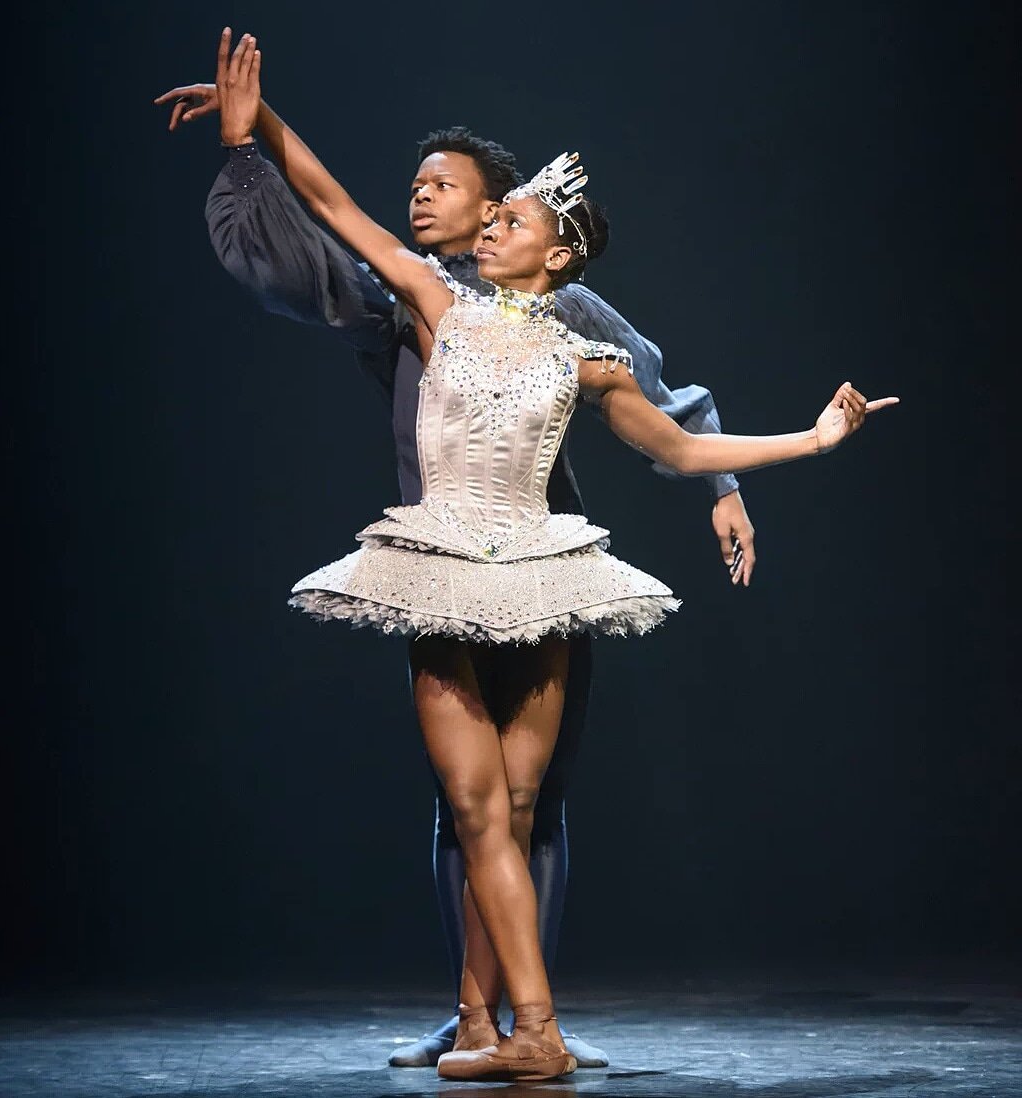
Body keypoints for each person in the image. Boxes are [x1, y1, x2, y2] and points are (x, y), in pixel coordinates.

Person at [165, 30, 897, 1083]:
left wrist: (812, 442)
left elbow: (681, 443)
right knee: (470, 806)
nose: (482, 226)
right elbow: (329, 204)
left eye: (504, 218)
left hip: (543, 571)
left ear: (553, 258)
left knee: (513, 807)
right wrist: (257, 129)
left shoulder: (585, 350)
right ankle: (489, 1023)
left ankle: (529, 1031)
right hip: (440, 560)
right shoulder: (431, 300)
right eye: (488, 215)